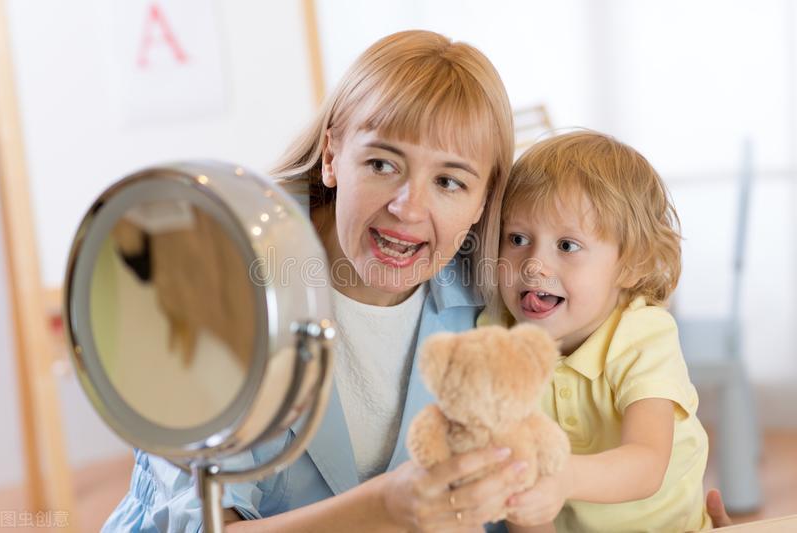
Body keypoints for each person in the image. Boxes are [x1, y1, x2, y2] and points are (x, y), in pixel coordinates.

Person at [103, 30, 526, 533]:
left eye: (449, 181)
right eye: (382, 164)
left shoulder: (493, 294)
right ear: (332, 156)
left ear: (482, 200)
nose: (408, 208)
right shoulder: (226, 280)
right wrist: (382, 509)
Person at [491, 131, 713, 532]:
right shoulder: (499, 342)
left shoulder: (643, 335)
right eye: (518, 239)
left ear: (629, 265)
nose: (533, 264)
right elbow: (522, 494)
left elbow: (646, 463)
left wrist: (561, 477)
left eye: (567, 245)